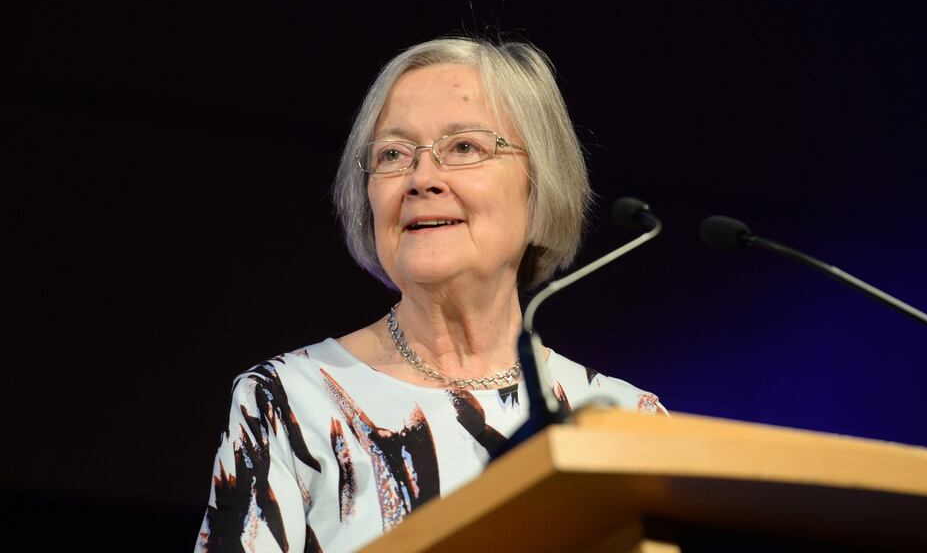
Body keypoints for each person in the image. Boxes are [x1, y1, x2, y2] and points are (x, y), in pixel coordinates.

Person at [195, 36, 668, 553]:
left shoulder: (629, 421)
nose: (422, 179)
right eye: (393, 154)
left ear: (540, 184)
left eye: (464, 147)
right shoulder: (285, 403)